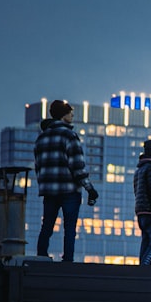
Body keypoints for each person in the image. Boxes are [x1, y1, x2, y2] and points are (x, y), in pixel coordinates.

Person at [34, 100, 99, 261]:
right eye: (70, 113)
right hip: (69, 190)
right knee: (69, 227)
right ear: (63, 115)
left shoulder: (41, 138)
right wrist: (89, 189)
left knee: (47, 225)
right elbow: (77, 166)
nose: (72, 115)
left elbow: (38, 167)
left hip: (49, 190)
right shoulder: (69, 136)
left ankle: (41, 256)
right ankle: (67, 260)